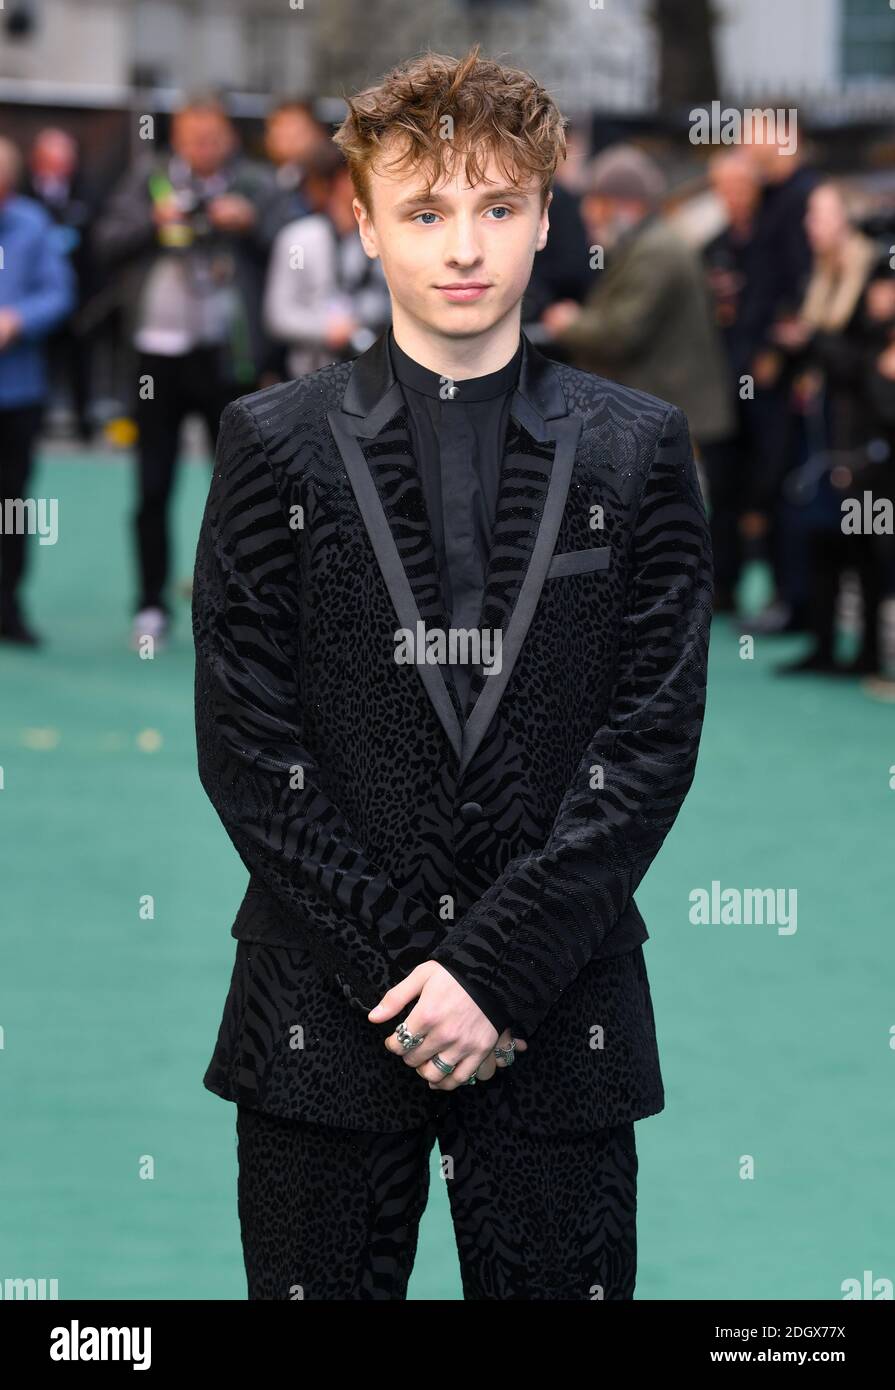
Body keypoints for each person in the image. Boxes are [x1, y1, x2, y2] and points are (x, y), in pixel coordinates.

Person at [192, 46, 713, 1301]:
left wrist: (494, 971)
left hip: (560, 1012)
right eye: (425, 210)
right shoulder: (272, 446)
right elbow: (250, 754)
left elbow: (647, 746)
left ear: (545, 219)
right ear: (362, 220)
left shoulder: (638, 452)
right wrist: (413, 984)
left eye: (496, 206)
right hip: (323, 1011)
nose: (463, 245)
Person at [93, 93, 292, 651]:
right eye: (192, 136)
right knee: (152, 484)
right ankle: (150, 603)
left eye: (212, 137)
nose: (202, 147)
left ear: (229, 138)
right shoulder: (148, 179)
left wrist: (249, 224)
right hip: (155, 355)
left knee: (234, 487)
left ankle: (231, 603)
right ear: (176, 138)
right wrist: (155, 226)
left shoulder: (255, 184)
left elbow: (293, 246)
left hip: (226, 356)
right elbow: (105, 242)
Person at [542, 142, 733, 452]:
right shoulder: (644, 244)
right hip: (664, 412)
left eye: (597, 205)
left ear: (627, 205)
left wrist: (570, 324)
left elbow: (621, 333)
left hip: (677, 416)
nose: (589, 215)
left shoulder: (656, 251)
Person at [0, 137, 74, 645]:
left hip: (16, 394)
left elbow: (59, 291)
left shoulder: (31, 225)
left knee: (12, 507)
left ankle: (7, 605)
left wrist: (17, 320)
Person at [263, 142, 391, 378]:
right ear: (331, 183)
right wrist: (327, 330)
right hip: (311, 373)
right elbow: (279, 315)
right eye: (354, 175)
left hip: (374, 368)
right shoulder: (299, 239)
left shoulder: (382, 234)